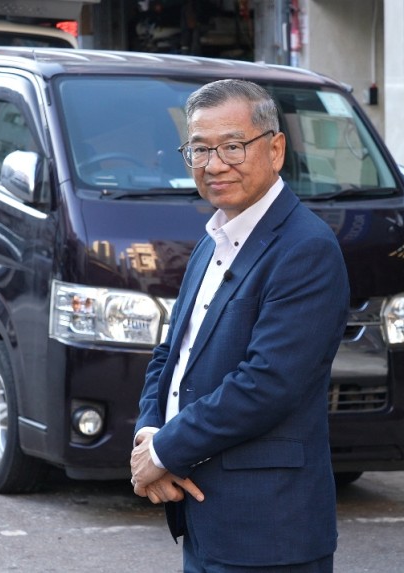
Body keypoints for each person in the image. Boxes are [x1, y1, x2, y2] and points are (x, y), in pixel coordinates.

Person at [130, 79, 350, 572]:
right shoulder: (214, 239)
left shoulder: (305, 249)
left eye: (232, 146)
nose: (213, 165)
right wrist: (148, 435)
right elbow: (172, 354)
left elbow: (266, 384)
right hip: (203, 520)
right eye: (199, 149)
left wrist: (165, 450)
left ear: (275, 149)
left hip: (269, 532)